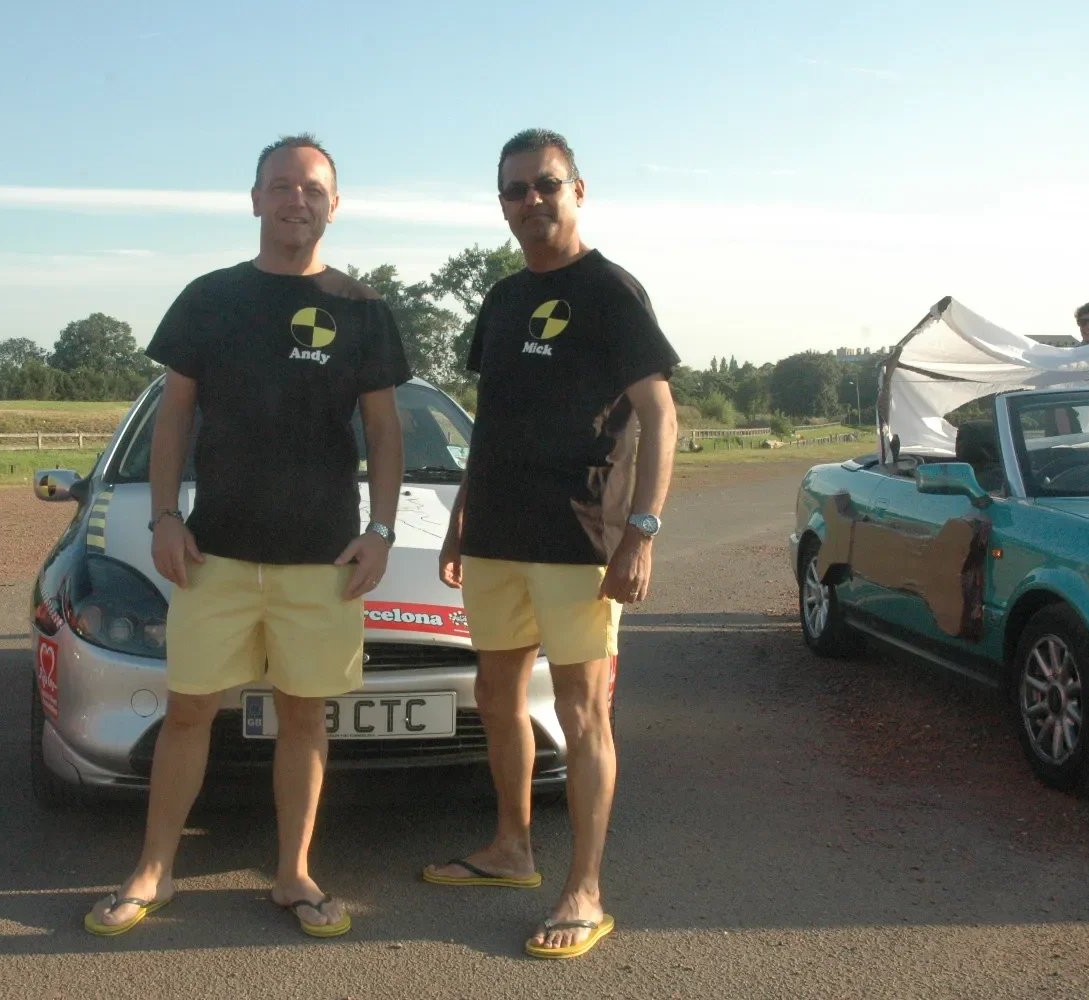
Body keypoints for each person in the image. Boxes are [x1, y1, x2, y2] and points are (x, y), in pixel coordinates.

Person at [85, 134, 409, 940]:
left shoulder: (363, 309)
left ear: (335, 204)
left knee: (305, 720)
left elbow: (385, 432)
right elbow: (174, 417)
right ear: (255, 197)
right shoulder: (209, 298)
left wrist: (380, 530)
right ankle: (153, 871)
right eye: (281, 185)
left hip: (324, 559)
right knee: (189, 713)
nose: (296, 200)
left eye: (312, 188)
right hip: (214, 553)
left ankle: (293, 875)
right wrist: (164, 517)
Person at [423, 128, 679, 960]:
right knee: (495, 695)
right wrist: (462, 518)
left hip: (580, 542)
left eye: (544, 185)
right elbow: (491, 424)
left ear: (578, 189)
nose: (530, 201)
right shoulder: (499, 301)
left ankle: (586, 890)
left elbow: (660, 413)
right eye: (514, 191)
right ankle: (511, 849)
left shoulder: (612, 291)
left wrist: (640, 532)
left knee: (581, 709)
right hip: (497, 535)